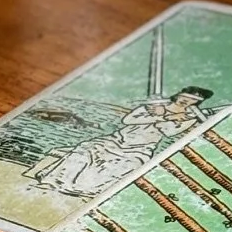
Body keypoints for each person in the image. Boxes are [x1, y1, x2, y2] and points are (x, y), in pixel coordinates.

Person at [27, 85, 214, 199]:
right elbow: (128, 120)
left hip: (139, 150)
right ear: (178, 95)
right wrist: (162, 115)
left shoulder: (187, 117)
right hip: (115, 141)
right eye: (185, 98)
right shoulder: (152, 107)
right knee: (86, 150)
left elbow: (168, 132)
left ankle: (85, 190)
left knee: (130, 165)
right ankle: (53, 182)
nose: (185, 102)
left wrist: (187, 119)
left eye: (191, 101)